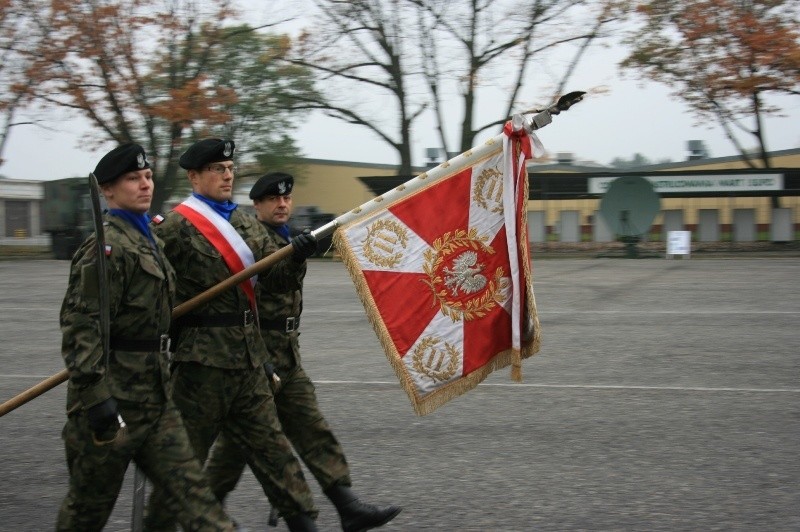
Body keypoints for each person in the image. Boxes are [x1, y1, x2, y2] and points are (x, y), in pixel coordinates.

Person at [204, 171, 402, 532]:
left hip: (287, 357)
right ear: (258, 205)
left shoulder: (288, 239)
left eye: (286, 199)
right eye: (273, 200)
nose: (282, 204)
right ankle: (202, 513)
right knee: (236, 448)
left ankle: (347, 506)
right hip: (255, 358)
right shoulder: (248, 242)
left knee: (311, 428)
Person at [56, 143, 235, 531]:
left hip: (155, 398)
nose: (144, 185)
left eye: (148, 176)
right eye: (133, 179)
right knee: (86, 513)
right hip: (111, 402)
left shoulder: (149, 239)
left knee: (196, 498)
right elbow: (80, 326)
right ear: (107, 190)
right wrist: (95, 396)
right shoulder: (105, 250)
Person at [145, 139, 320, 532]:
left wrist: (296, 257)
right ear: (194, 177)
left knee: (276, 455)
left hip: (250, 360)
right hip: (200, 367)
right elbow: (150, 287)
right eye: (217, 169)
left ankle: (304, 523)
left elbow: (273, 283)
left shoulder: (243, 222)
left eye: (229, 168)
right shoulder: (176, 226)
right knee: (183, 464)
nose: (227, 175)